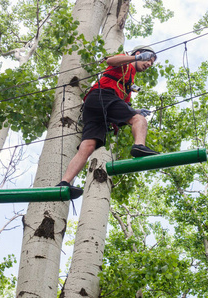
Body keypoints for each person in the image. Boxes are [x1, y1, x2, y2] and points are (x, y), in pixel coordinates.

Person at [57, 45, 159, 198]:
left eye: (151, 63)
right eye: (148, 59)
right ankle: (139, 146)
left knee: (88, 146)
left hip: (96, 106)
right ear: (139, 53)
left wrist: (135, 110)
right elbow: (111, 61)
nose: (148, 64)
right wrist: (136, 58)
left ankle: (64, 183)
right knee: (139, 120)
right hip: (102, 95)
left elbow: (123, 104)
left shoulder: (130, 80)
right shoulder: (125, 61)